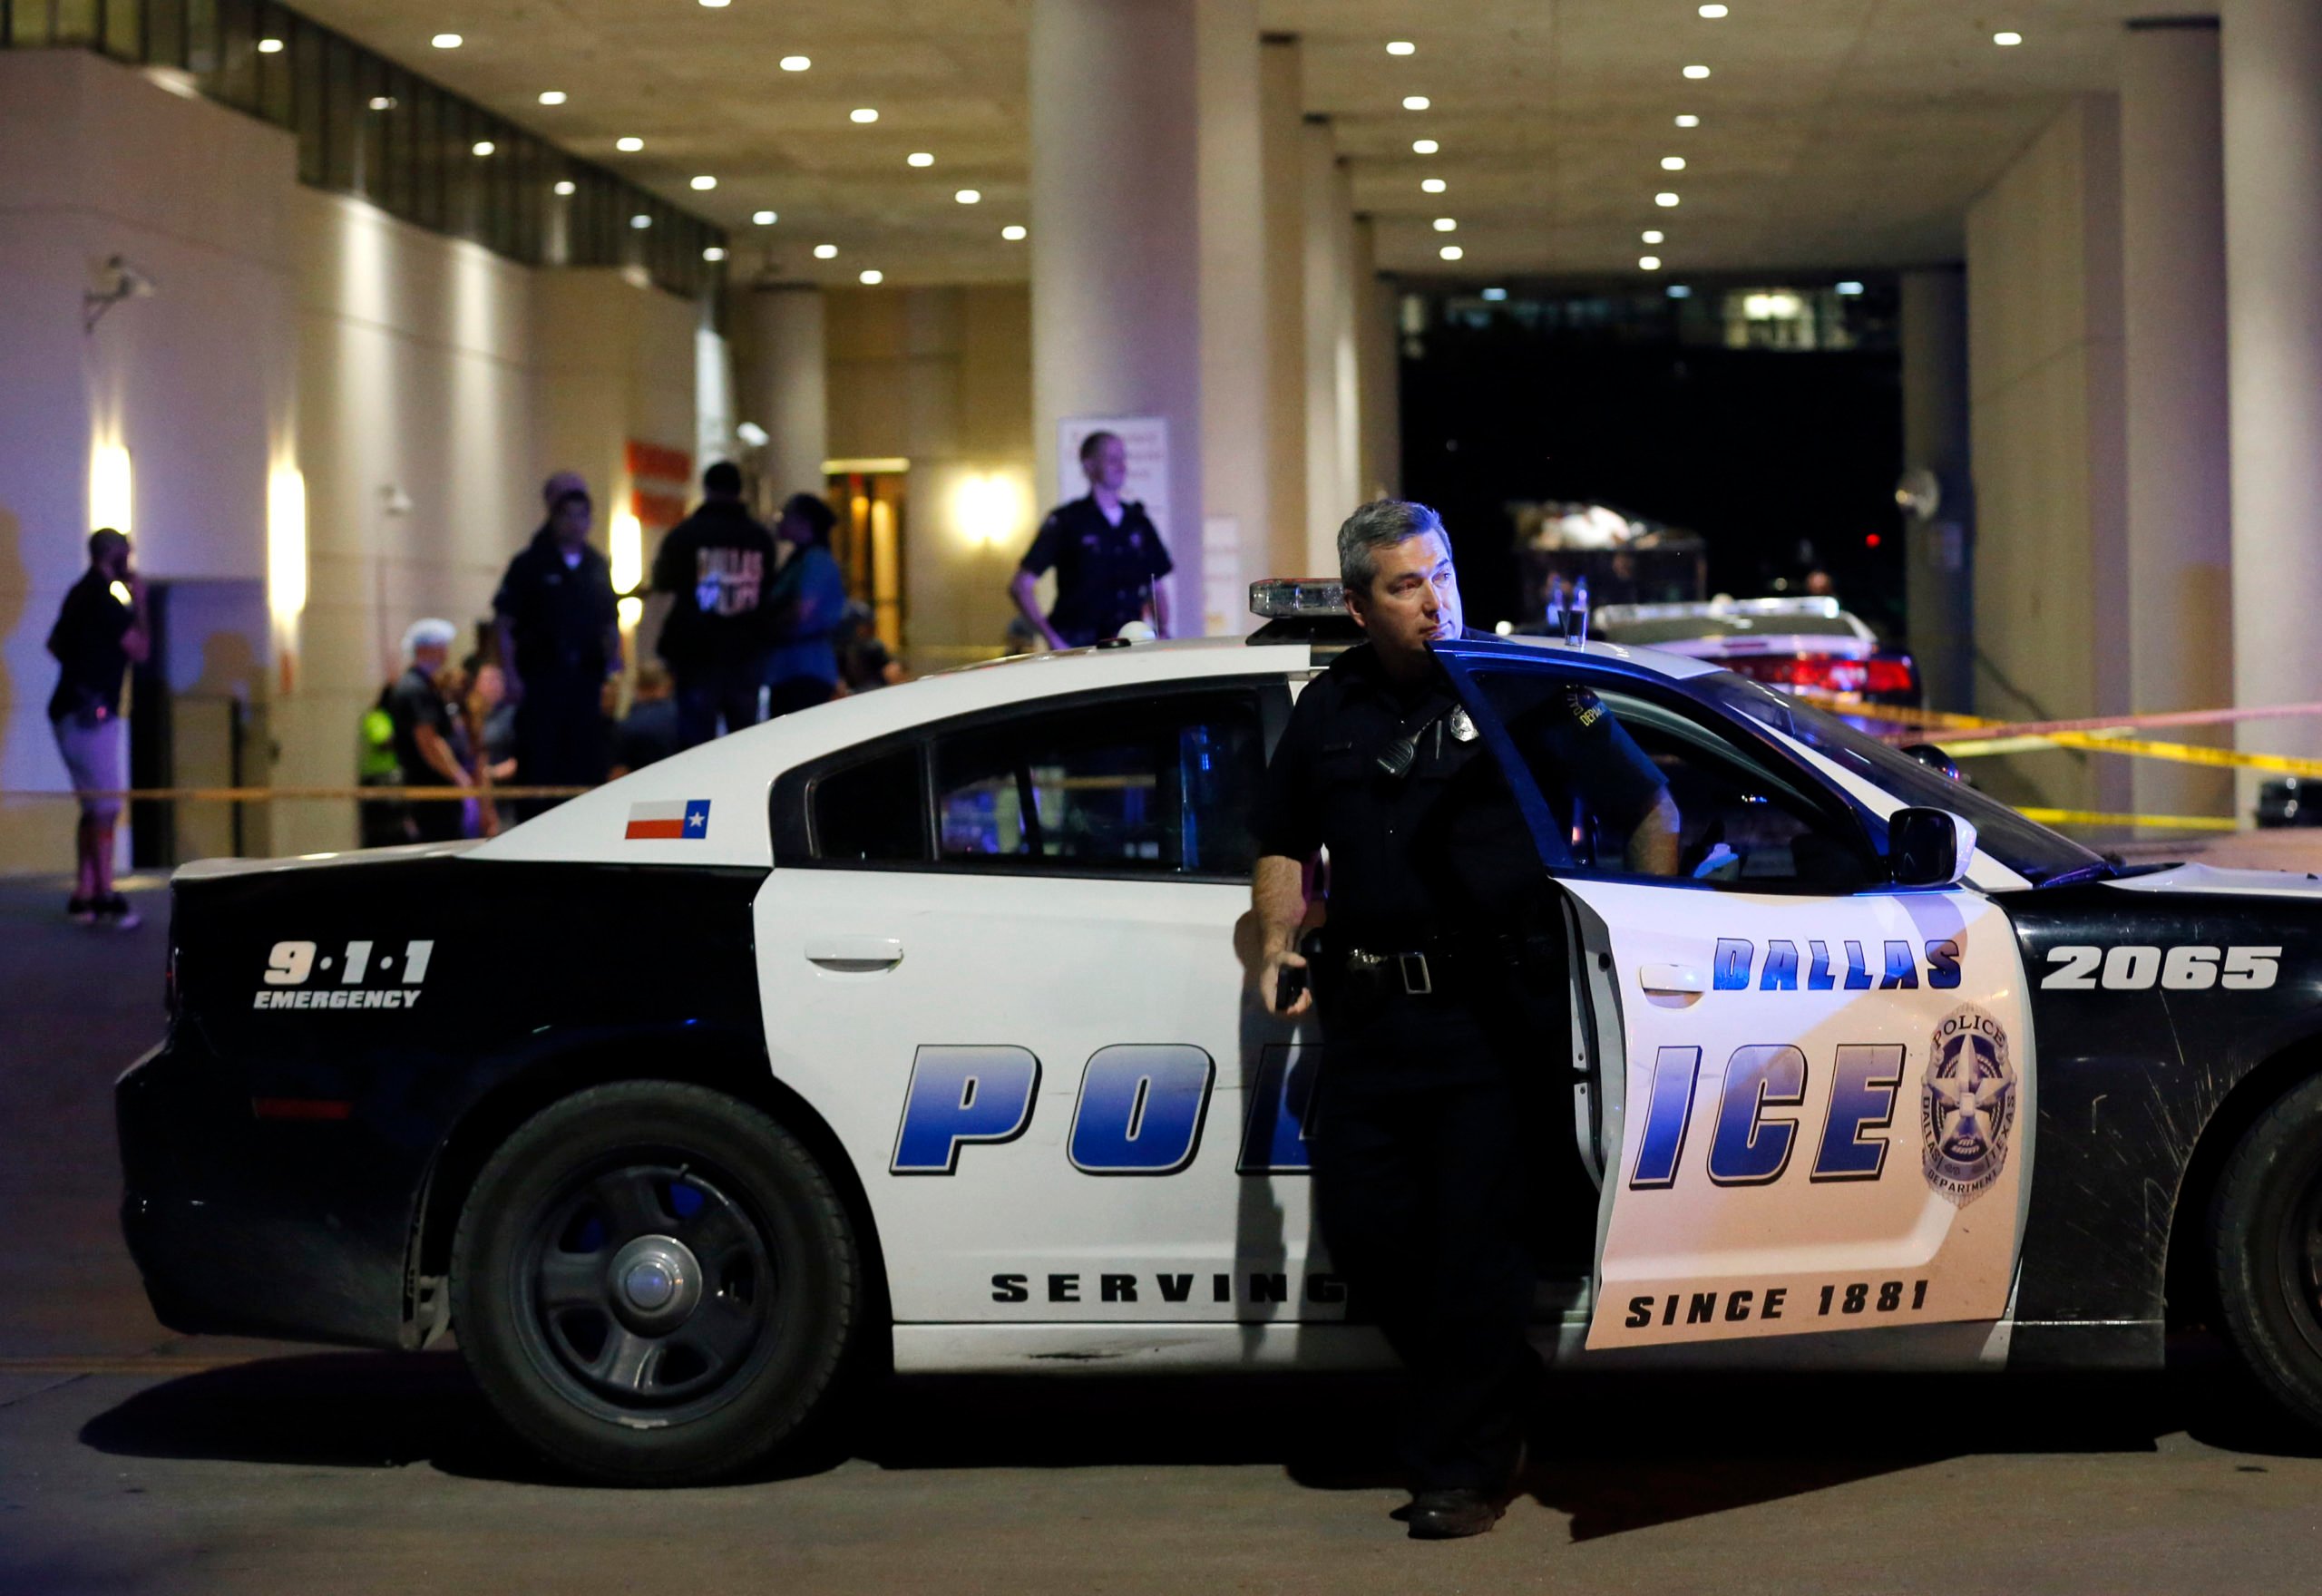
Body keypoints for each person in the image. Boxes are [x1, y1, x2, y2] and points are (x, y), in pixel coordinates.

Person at [1249, 500, 1677, 1541]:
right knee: (1368, 1234)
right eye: (1404, 584)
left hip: (1496, 1019)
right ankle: (1497, 1387)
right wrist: (1274, 942)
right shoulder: (1330, 709)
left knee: (1476, 1252)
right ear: (1358, 606)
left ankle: (1461, 1466)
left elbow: (1647, 809)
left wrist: (1640, 938)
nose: (1431, 599)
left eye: (1438, 573)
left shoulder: (1523, 690)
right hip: (1370, 1015)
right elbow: (1280, 841)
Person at [493, 480, 620, 816]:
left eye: (583, 517)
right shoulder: (530, 564)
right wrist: (511, 676)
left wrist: (613, 671)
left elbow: (610, 622)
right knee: (540, 760)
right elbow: (504, 623)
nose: (576, 524)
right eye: (569, 516)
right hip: (542, 680)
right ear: (554, 518)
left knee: (583, 761)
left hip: (585, 682)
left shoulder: (596, 565)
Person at [45, 527, 149, 927]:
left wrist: (83, 662)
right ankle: (105, 893)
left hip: (65, 709)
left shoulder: (77, 593)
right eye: (127, 551)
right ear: (113, 554)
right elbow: (140, 649)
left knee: (92, 805)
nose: (132, 559)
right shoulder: (107, 601)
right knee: (106, 805)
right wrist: (139, 604)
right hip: (93, 712)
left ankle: (83, 893)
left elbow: (54, 646)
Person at [651, 461, 780, 750]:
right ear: (740, 490)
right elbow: (770, 588)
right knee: (743, 741)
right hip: (745, 651)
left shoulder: (686, 534)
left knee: (696, 744)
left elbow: (664, 579)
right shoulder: (759, 538)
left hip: (696, 650)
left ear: (706, 488)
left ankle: (701, 794)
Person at [1010, 430, 1173, 648]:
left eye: (1123, 458)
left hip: (1129, 647)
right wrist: (1053, 638)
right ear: (1089, 465)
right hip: (1078, 647)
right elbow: (1021, 585)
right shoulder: (1067, 521)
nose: (1121, 465)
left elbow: (1157, 584)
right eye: (1112, 459)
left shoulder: (1138, 522)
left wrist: (1162, 631)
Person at [765, 493, 849, 716]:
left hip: (803, 670)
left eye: (785, 515)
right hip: (793, 668)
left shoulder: (815, 560)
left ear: (804, 522)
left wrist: (765, 629)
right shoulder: (802, 559)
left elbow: (802, 610)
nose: (779, 521)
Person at [613, 665, 681, 776]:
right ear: (666, 685)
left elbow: (618, 772)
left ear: (637, 688)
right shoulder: (680, 717)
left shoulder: (627, 725)